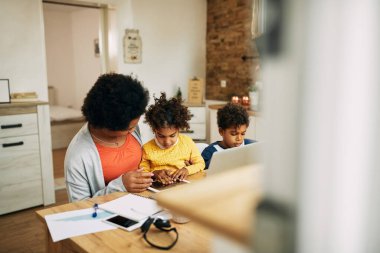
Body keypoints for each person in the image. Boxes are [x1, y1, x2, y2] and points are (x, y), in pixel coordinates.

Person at [64, 73, 153, 202]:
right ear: (106, 126)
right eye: (128, 129)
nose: (133, 130)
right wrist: (120, 186)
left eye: (135, 125)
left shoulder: (131, 124)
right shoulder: (78, 157)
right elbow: (78, 206)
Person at [139, 92, 205, 184]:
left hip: (183, 184)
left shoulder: (187, 142)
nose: (167, 142)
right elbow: (142, 172)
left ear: (178, 129)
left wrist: (187, 170)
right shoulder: (147, 148)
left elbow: (200, 164)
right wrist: (154, 173)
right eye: (161, 136)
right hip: (158, 186)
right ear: (154, 130)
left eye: (172, 135)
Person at [202, 102, 256, 169]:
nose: (239, 138)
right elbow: (202, 173)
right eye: (234, 134)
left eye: (243, 133)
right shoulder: (210, 152)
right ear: (221, 131)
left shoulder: (250, 145)